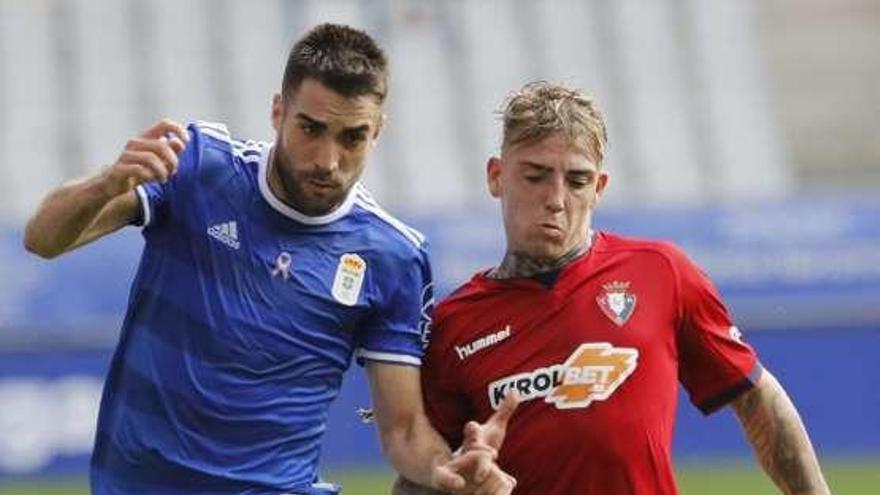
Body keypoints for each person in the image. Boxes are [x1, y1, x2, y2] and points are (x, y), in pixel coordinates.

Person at [24, 23, 515, 495]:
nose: (328, 159)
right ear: (278, 111)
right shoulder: (200, 167)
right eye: (311, 128)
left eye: (352, 137)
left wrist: (446, 469)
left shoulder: (393, 256)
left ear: (378, 131)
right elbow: (44, 238)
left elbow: (405, 431)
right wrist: (107, 182)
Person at [405, 81, 831, 494]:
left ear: (599, 189)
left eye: (577, 181)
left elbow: (756, 397)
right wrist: (455, 485)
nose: (556, 198)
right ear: (496, 176)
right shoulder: (453, 326)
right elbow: (417, 477)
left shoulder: (661, 272)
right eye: (535, 176)